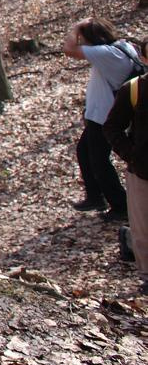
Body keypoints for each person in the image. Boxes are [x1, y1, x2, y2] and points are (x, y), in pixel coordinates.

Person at [63, 17, 140, 222]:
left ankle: (120, 206)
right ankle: (96, 197)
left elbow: (69, 49)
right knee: (85, 153)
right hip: (99, 114)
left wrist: (76, 27)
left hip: (105, 117)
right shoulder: (121, 47)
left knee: (99, 162)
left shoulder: (107, 53)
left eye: (84, 38)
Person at [96, 75, 148, 293]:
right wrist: (133, 156)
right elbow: (112, 127)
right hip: (143, 173)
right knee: (144, 228)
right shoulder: (135, 89)